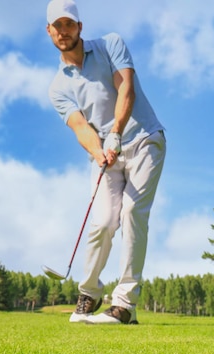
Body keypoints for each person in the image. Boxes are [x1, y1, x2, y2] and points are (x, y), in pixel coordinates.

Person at [46, 0, 166, 324]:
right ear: (49, 32)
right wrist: (100, 151)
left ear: (79, 27)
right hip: (105, 155)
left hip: (144, 140)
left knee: (131, 213)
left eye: (69, 24)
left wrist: (116, 131)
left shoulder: (110, 43)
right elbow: (80, 127)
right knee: (102, 222)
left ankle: (125, 305)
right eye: (57, 26)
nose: (64, 31)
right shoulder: (58, 87)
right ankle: (90, 292)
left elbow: (125, 88)